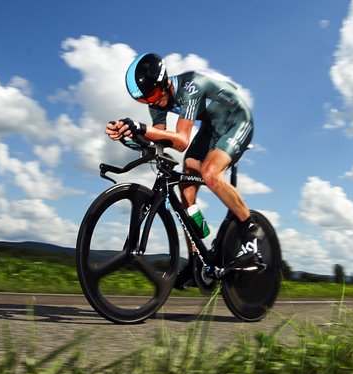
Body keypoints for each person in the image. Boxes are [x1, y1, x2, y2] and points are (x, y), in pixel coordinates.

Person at [105, 52, 262, 289]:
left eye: (154, 94)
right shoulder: (155, 103)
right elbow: (158, 142)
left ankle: (250, 232)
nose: (151, 102)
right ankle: (197, 259)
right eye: (143, 100)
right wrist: (129, 136)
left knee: (209, 173)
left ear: (165, 83)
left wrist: (138, 126)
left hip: (237, 120)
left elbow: (180, 141)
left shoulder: (190, 86)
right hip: (212, 127)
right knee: (186, 189)